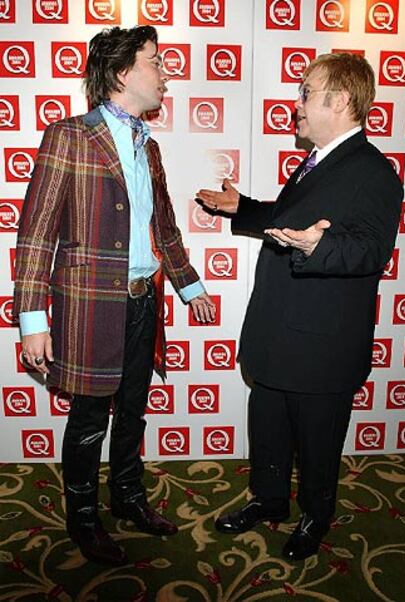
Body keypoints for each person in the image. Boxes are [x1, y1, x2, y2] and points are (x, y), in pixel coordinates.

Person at [13, 25, 215, 566]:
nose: (166, 72)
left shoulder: (149, 147)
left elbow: (163, 228)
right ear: (125, 72)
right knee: (87, 419)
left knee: (132, 411)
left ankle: (128, 499)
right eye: (157, 61)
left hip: (142, 301)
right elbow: (35, 232)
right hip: (87, 307)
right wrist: (32, 318)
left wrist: (189, 284)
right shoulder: (70, 136)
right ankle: (82, 520)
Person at [197, 53, 402, 561]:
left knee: (317, 444)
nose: (297, 102)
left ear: (341, 100)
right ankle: (269, 502)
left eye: (306, 92)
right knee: (267, 428)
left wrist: (319, 248)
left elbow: (370, 249)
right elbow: (291, 219)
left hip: (321, 346)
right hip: (276, 335)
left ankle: (315, 517)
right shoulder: (317, 162)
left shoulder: (374, 171)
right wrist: (242, 209)